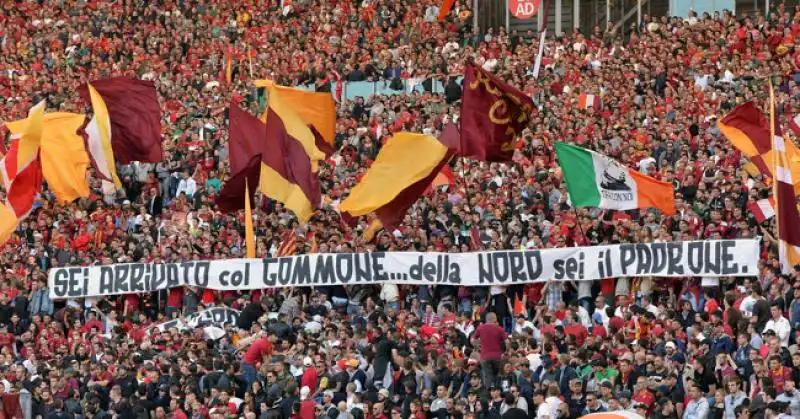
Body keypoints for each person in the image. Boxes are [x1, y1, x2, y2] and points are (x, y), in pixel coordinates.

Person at [471, 312, 508, 388]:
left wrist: (478, 347)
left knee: (488, 377)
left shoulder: (480, 328)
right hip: (497, 357)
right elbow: (507, 341)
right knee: (498, 376)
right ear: (494, 319)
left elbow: (472, 340)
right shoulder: (499, 328)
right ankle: (498, 392)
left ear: (486, 319)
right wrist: (506, 352)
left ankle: (489, 395)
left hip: (485, 357)